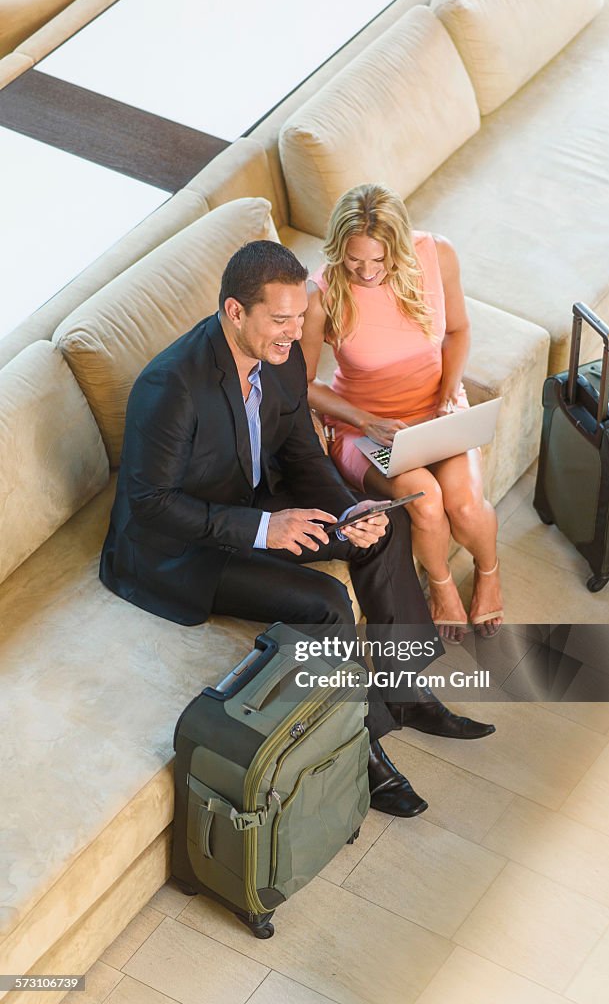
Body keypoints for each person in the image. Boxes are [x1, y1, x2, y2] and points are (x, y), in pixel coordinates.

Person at [100, 240, 495, 820]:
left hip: (256, 502)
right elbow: (151, 504)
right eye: (280, 320)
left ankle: (403, 690)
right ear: (236, 312)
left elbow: (303, 454)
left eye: (298, 319)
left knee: (384, 528)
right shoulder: (172, 385)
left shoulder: (280, 357)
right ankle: (363, 747)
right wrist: (265, 527)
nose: (293, 334)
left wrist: (351, 513)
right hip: (183, 550)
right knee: (326, 602)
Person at [302, 184, 504, 641]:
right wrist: (362, 420)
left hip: (436, 410)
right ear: (339, 248)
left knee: (467, 508)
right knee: (426, 502)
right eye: (355, 259)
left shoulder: (437, 255)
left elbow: (458, 331)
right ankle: (441, 586)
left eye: (380, 260)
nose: (368, 271)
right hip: (365, 426)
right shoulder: (321, 292)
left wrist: (450, 393)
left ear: (398, 246)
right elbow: (303, 382)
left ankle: (489, 571)